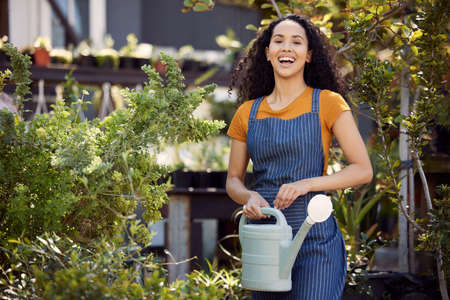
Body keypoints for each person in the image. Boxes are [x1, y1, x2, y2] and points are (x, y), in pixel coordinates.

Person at [226, 14, 373, 299]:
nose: (287, 48)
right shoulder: (247, 113)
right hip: (266, 237)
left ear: (308, 55)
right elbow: (233, 179)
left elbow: (362, 170)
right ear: (267, 53)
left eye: (296, 42)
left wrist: (306, 184)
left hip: (314, 238)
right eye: (278, 41)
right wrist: (248, 198)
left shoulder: (328, 103)